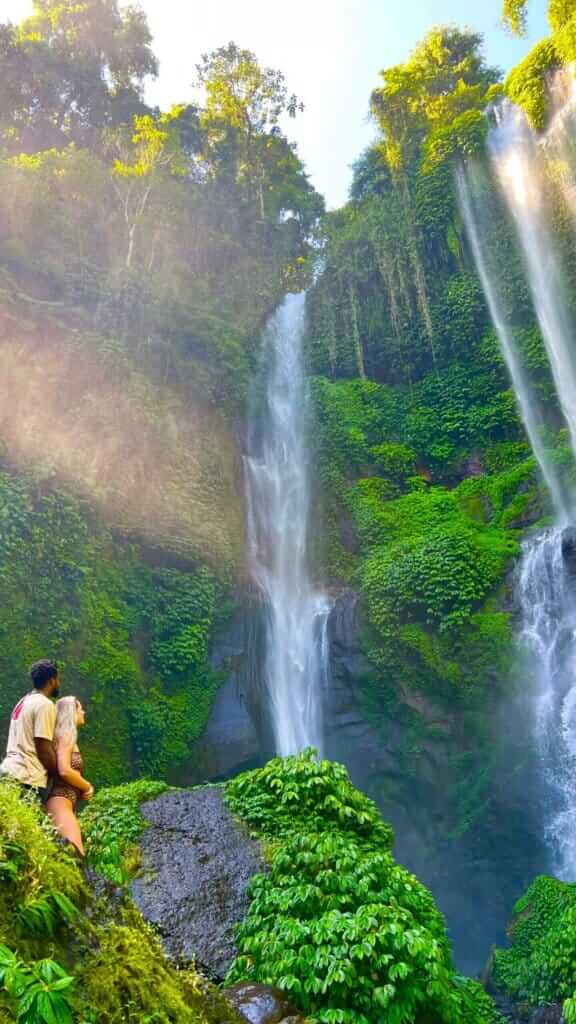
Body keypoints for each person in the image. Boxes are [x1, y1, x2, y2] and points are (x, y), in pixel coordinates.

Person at [0, 659, 60, 801]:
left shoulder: (24, 701)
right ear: (52, 681)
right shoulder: (44, 704)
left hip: (9, 771)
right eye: (58, 679)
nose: (59, 683)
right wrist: (58, 775)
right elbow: (43, 746)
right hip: (27, 778)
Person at [46, 697, 93, 856]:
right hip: (60, 802)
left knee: (71, 857)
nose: (83, 711)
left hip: (65, 803)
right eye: (80, 708)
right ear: (71, 712)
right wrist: (86, 786)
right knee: (76, 856)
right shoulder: (66, 735)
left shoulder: (66, 736)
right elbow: (64, 770)